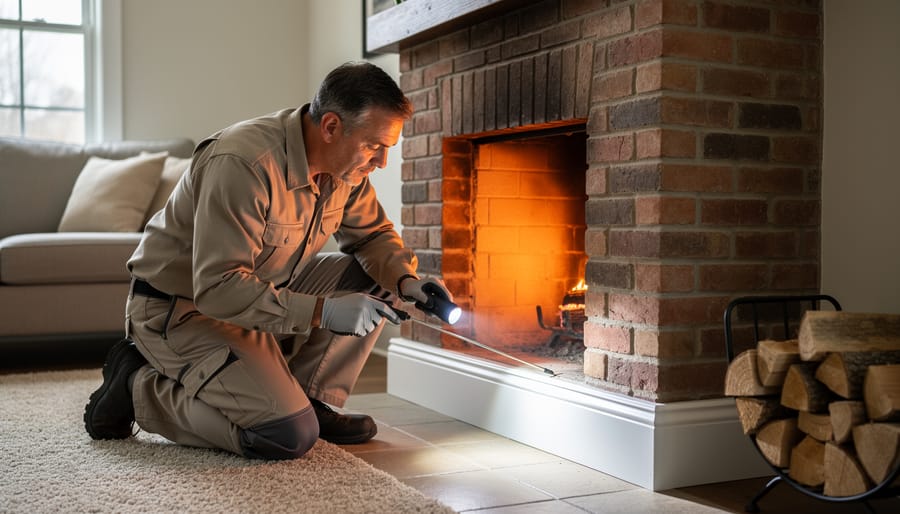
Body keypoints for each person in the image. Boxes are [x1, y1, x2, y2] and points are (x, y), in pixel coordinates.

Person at [83, 61, 452, 460]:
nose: (380, 162)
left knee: (378, 279)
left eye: (387, 150)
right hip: (179, 309)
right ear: (331, 127)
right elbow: (218, 288)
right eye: (374, 145)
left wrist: (407, 282)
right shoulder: (243, 164)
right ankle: (135, 386)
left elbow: (374, 237)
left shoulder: (347, 171)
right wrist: (323, 312)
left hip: (256, 298)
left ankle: (308, 398)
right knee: (286, 435)